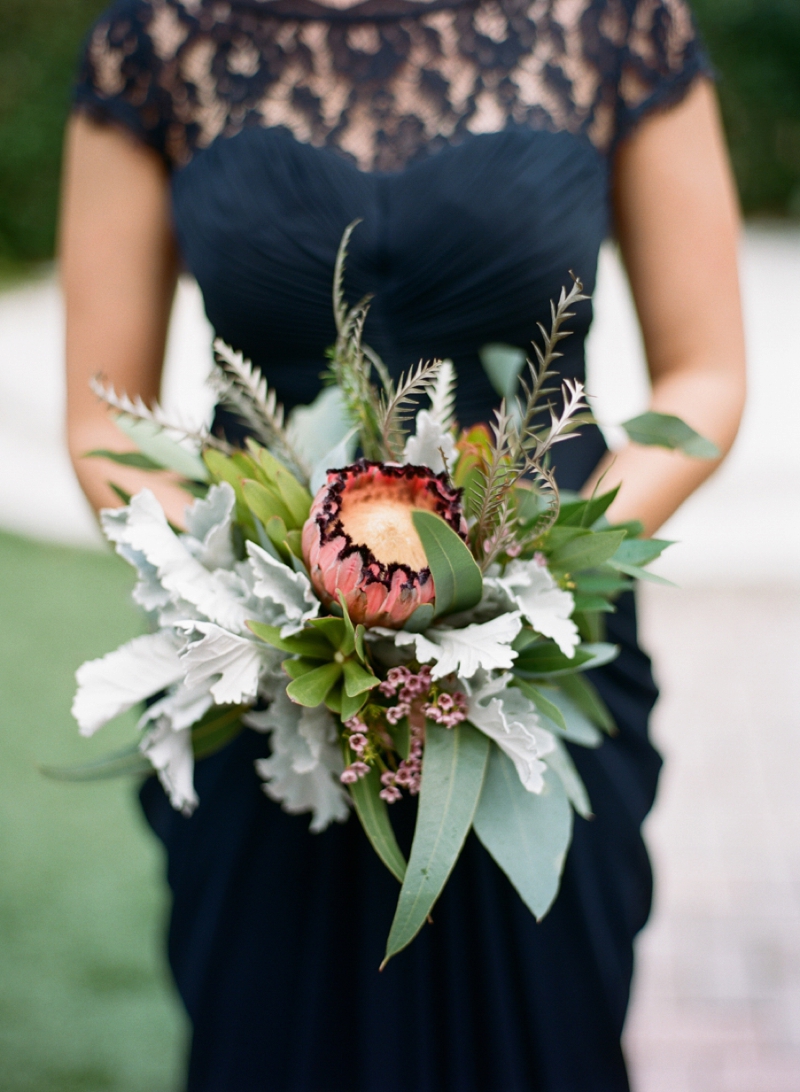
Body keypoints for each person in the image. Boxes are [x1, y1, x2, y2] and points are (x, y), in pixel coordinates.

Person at [60, 1, 746, 1089]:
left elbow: (704, 375)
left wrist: (524, 581)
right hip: (265, 678)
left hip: (542, 674)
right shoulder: (154, 37)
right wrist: (246, 591)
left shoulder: (616, 21)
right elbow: (104, 417)